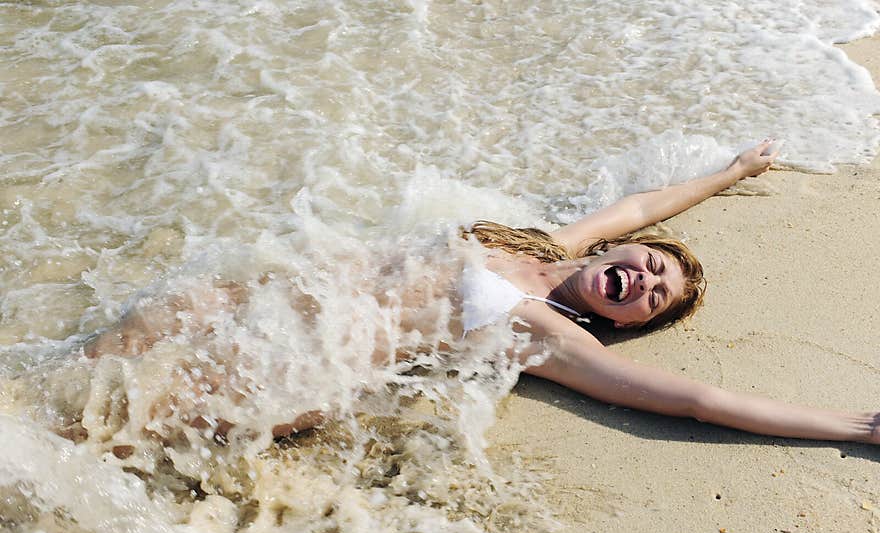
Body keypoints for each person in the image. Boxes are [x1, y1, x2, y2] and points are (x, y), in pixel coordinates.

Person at [83, 140, 880, 445]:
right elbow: (644, 204)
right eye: (650, 267)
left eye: (653, 299)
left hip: (300, 366)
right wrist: (734, 172)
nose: (643, 282)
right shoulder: (542, 244)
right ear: (617, 249)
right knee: (85, 372)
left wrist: (858, 425)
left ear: (631, 320)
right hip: (260, 297)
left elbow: (698, 399)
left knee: (97, 432)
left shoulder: (551, 335)